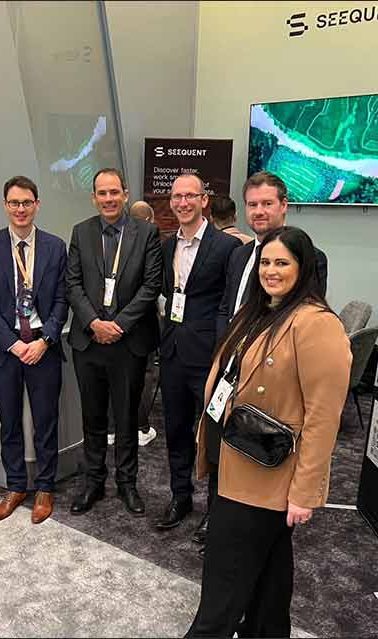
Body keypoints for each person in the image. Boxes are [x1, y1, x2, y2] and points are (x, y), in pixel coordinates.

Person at [186, 226, 351, 638]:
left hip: (265, 477)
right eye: (265, 262)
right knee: (268, 585)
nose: (270, 271)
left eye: (282, 263)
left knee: (223, 587)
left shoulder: (315, 324)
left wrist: (305, 492)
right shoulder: (258, 311)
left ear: (303, 267)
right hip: (231, 458)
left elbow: (323, 417)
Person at [194, 170, 329, 550]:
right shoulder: (239, 255)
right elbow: (226, 307)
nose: (259, 211)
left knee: (254, 453)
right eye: (252, 204)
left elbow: (303, 319)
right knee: (219, 447)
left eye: (267, 203)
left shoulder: (310, 258)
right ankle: (217, 517)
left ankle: (248, 529)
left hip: (268, 381)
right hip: (229, 372)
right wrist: (225, 351)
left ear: (284, 206)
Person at [0, 176, 68, 524]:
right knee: (9, 421)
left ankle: (45, 487)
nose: (21, 209)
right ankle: (15, 486)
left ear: (37, 205)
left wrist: (45, 340)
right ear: (5, 206)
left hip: (43, 347)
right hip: (5, 348)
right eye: (14, 203)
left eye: (27, 202)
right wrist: (13, 344)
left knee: (46, 421)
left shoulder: (55, 247)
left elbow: (62, 300)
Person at [66, 168, 162, 516]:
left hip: (128, 341)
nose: (108, 199)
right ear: (94, 198)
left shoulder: (146, 233)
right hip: (89, 341)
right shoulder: (81, 232)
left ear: (125, 194)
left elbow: (151, 286)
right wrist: (94, 323)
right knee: (92, 417)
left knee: (125, 418)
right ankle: (93, 481)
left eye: (114, 192)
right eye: (102, 193)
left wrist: (117, 325)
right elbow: (72, 283)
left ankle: (127, 483)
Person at [156, 174, 240, 532]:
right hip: (172, 353)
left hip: (209, 357)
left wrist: (222, 351)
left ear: (204, 200)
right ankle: (181, 496)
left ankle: (214, 510)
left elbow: (229, 304)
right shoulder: (165, 246)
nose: (183, 203)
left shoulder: (226, 247)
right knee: (175, 429)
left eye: (190, 196)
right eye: (177, 197)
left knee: (212, 435)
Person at [107, 198, 159, 448]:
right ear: (150, 219)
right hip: (135, 329)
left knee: (113, 378)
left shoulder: (117, 240)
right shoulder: (152, 242)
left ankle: (112, 428)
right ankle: (140, 427)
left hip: (111, 326)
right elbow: (152, 288)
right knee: (143, 377)